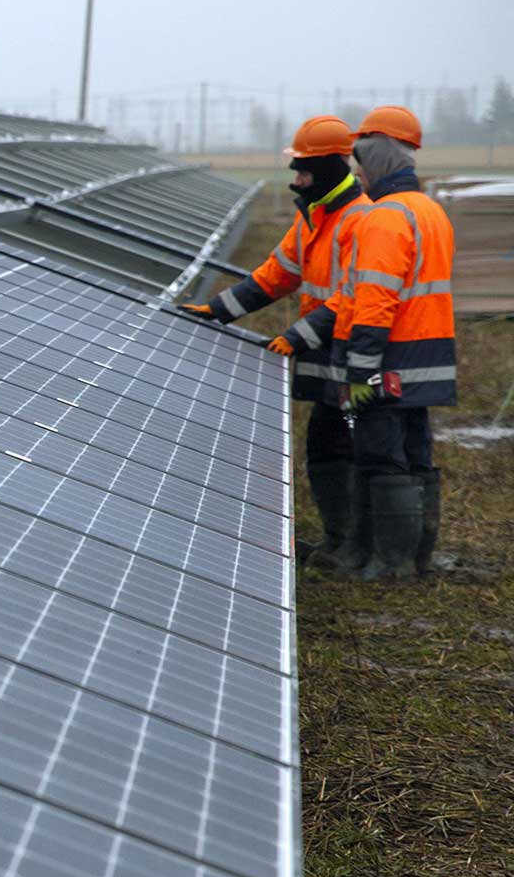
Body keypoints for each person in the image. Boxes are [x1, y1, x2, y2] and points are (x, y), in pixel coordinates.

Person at [178, 115, 371, 568]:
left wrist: (295, 337)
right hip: (328, 353)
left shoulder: (360, 220)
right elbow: (276, 274)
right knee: (326, 443)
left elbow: (356, 294)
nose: (297, 180)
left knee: (358, 445)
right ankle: (339, 541)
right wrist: (219, 310)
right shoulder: (314, 219)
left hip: (360, 355)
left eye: (303, 170)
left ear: (325, 168)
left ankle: (360, 547)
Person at [334, 105, 455, 581]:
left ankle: (391, 563)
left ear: (379, 162)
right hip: (426, 357)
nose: (357, 174)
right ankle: (410, 557)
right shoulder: (429, 211)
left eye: (361, 163)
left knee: (379, 452)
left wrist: (359, 367)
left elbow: (375, 300)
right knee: (414, 450)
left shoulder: (384, 218)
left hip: (385, 361)